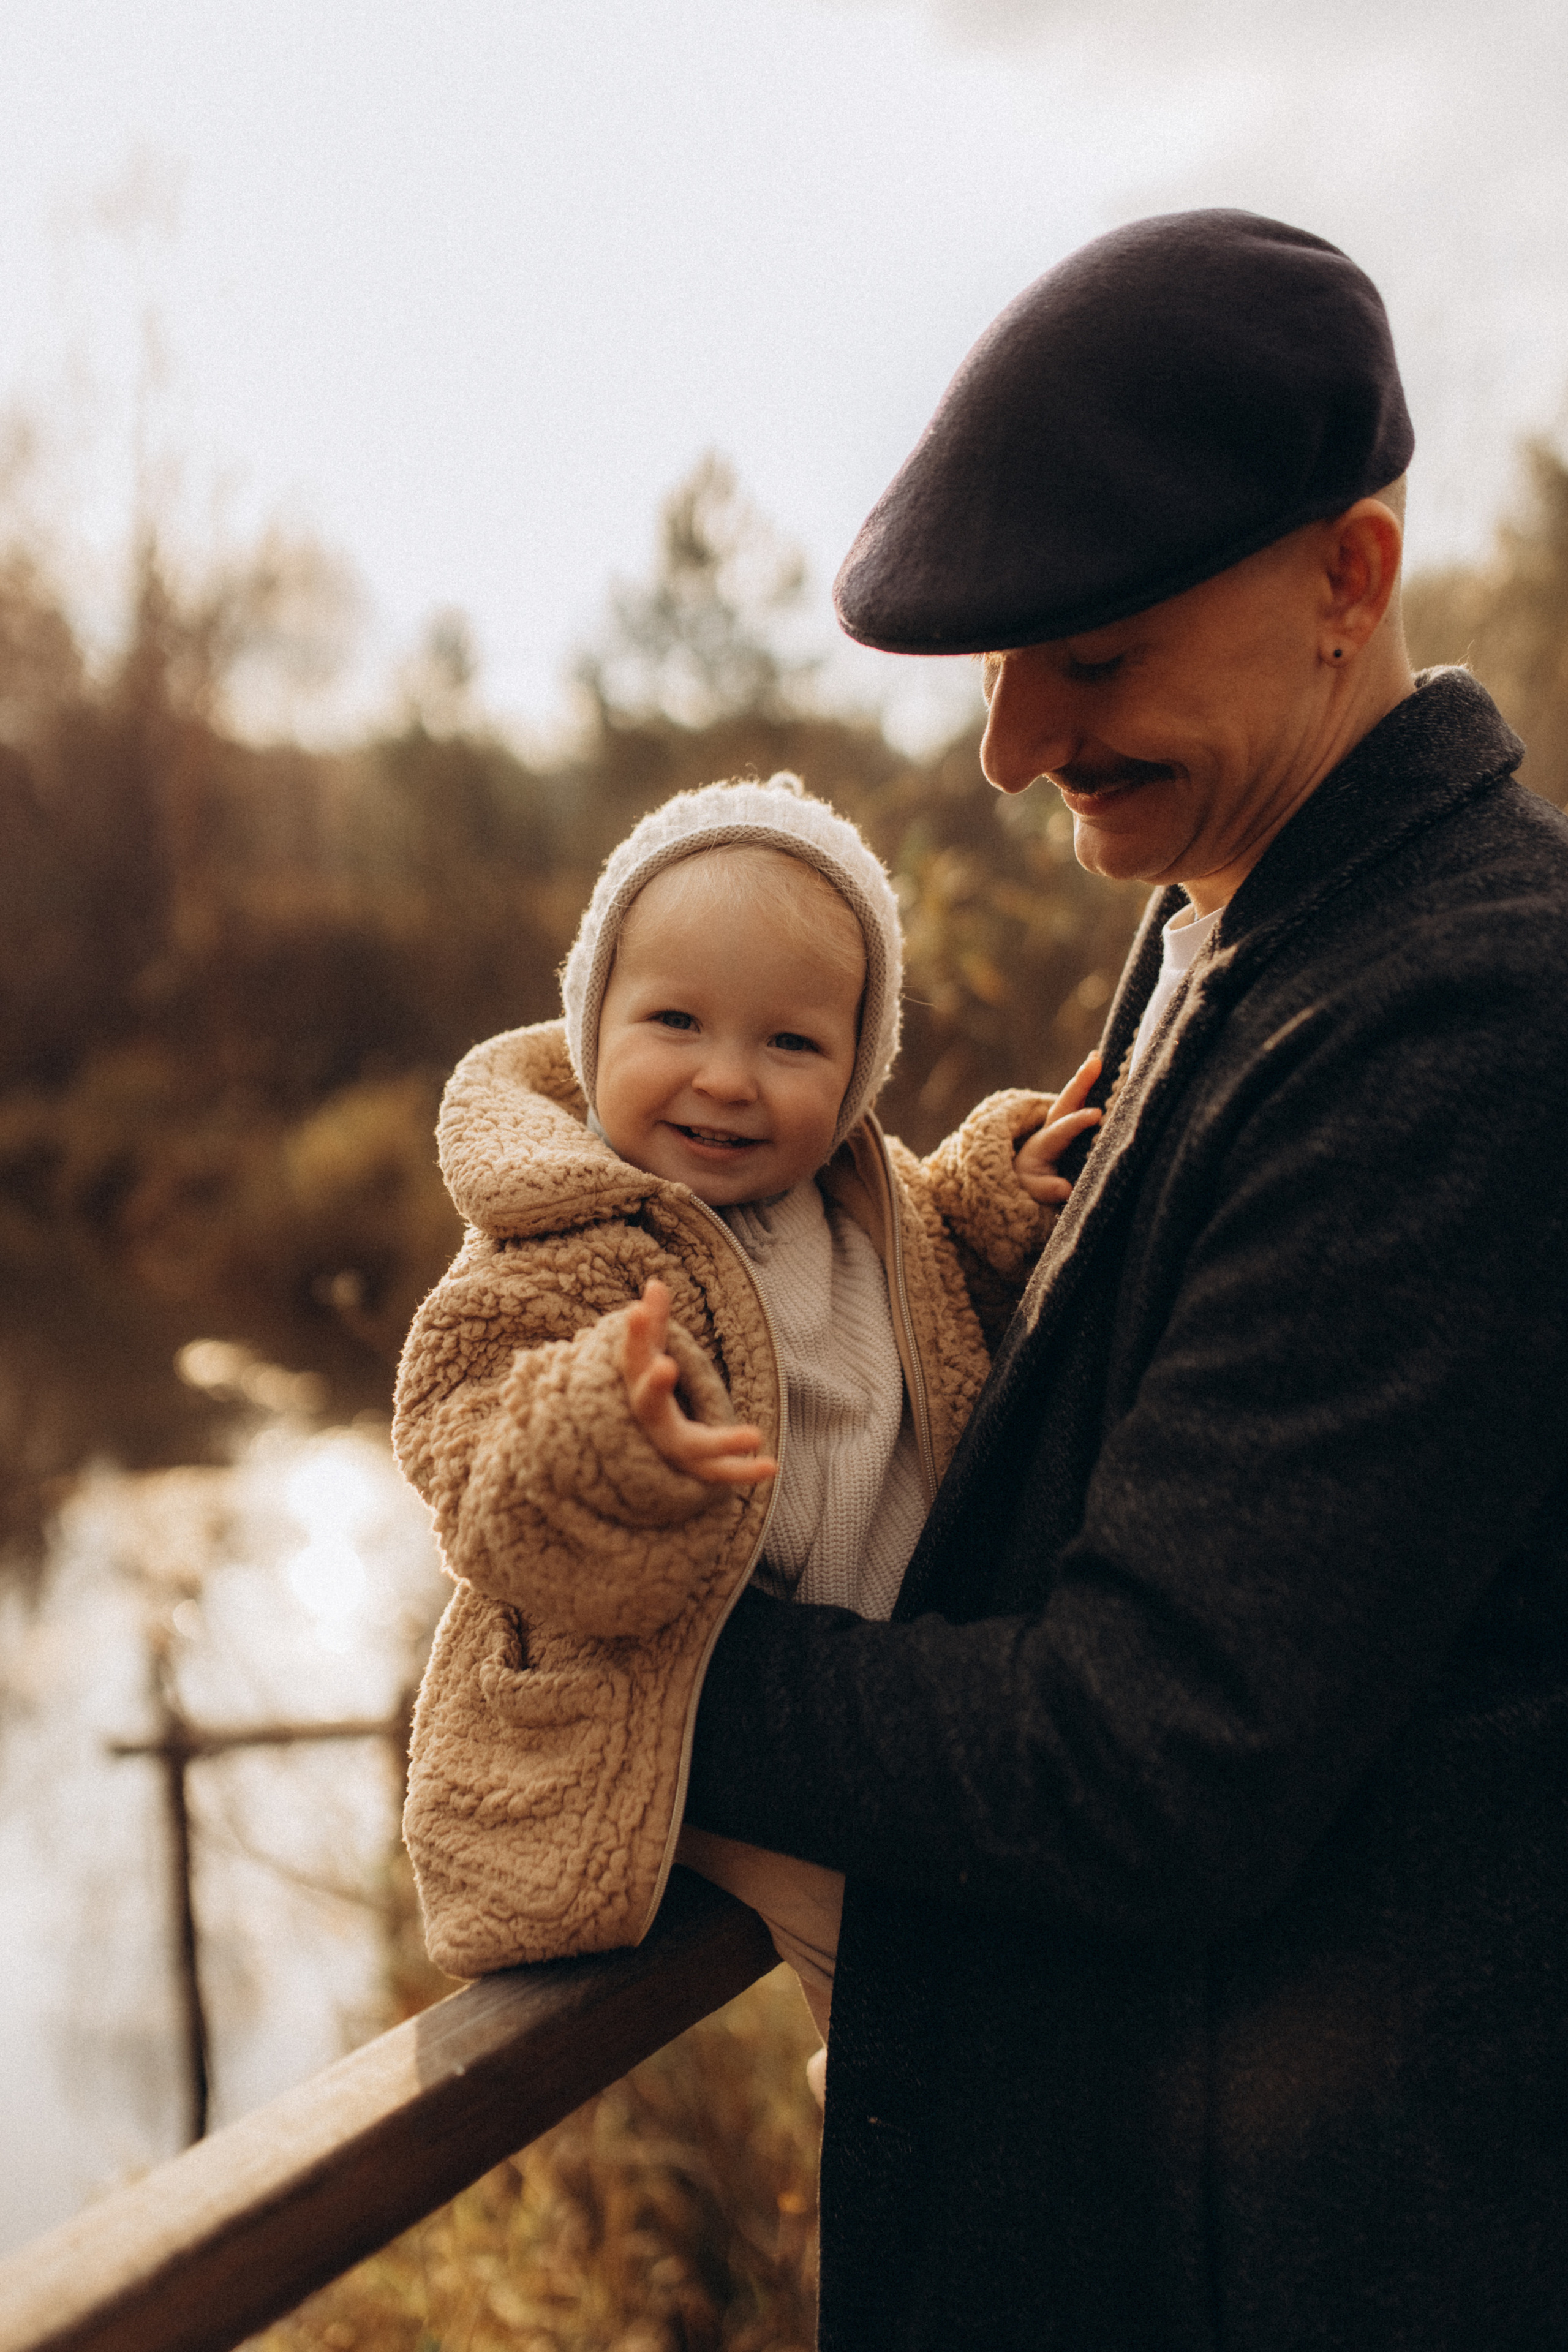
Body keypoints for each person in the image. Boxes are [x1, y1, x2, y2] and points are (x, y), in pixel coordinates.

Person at [677, 211, 1568, 2349]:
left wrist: (653, 1681)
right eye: (998, 665)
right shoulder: (1232, 902)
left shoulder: (1467, 1014)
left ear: (1346, 582)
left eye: (1086, 656)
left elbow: (1144, 1752)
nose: (1005, 748)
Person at [393, 775, 1099, 2064]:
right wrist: (604, 1439)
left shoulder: (862, 1199)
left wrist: (1003, 1198)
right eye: (676, 1021)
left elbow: (945, 1275)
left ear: (857, 1069)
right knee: (899, 1955)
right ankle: (894, 2169)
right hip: (682, 1718)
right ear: (590, 1020)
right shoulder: (561, 1238)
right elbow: (471, 1452)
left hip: (880, 1698)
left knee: (1014, 1915)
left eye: (790, 1044)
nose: (726, 1079)